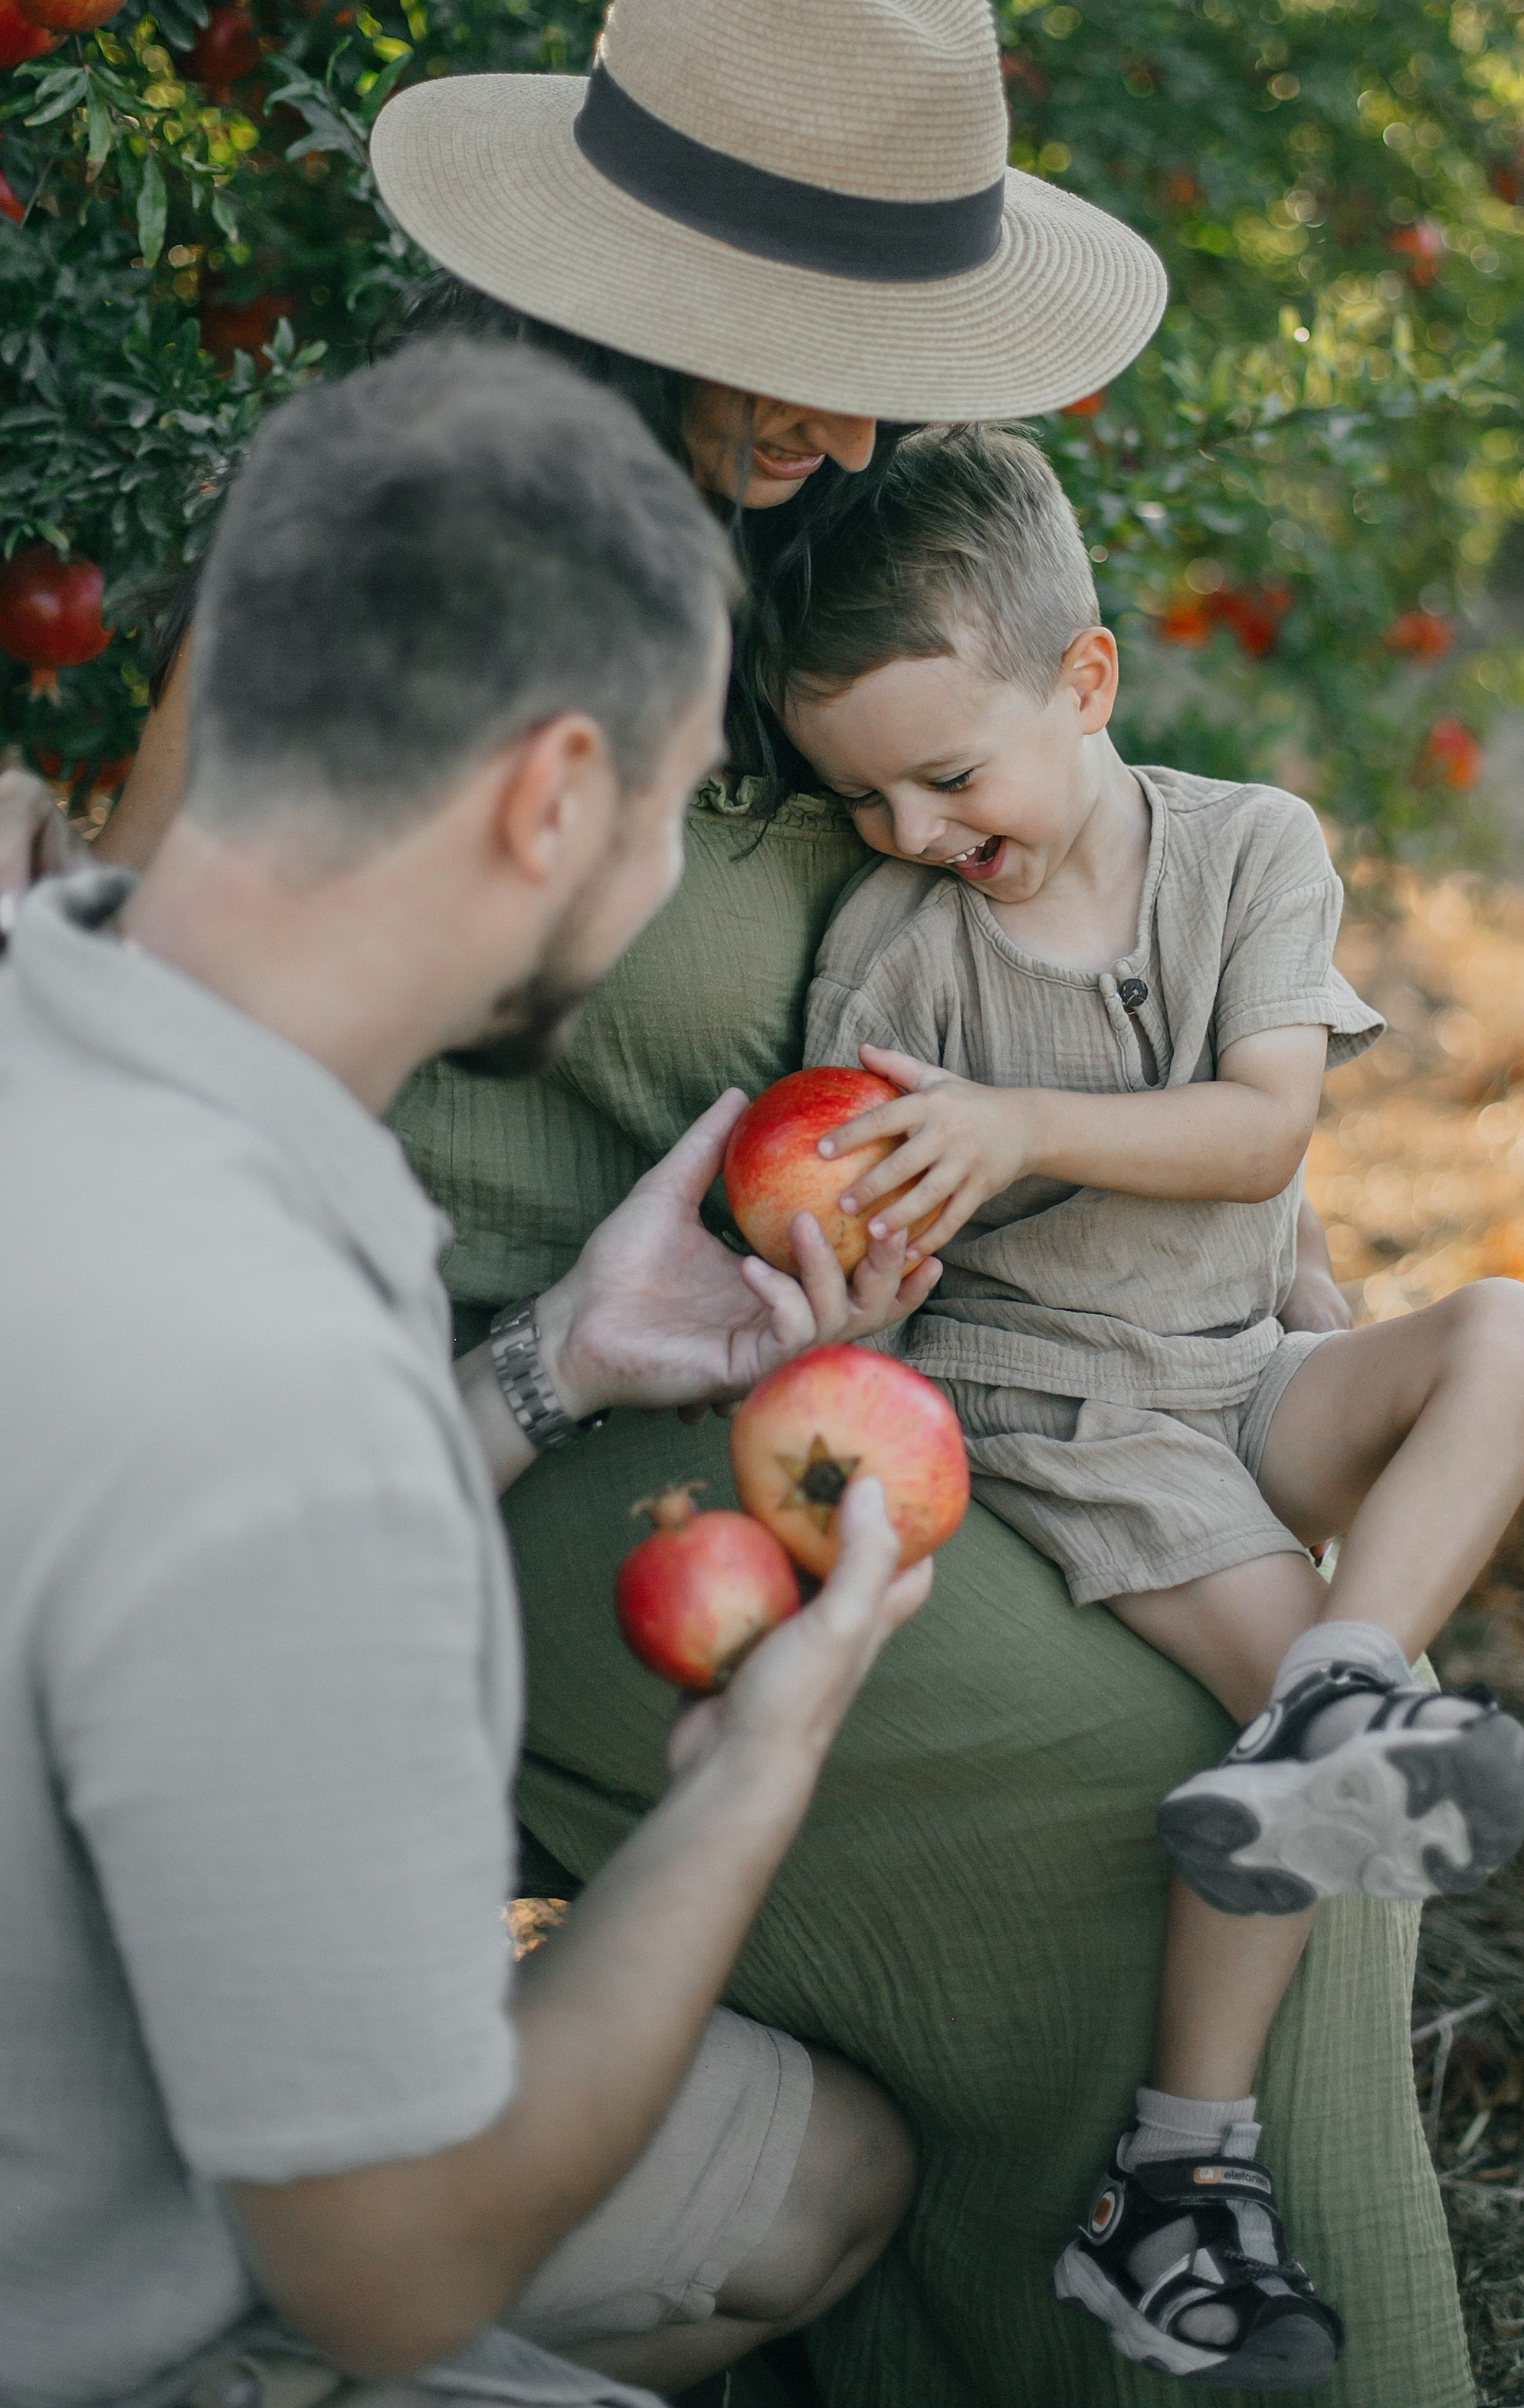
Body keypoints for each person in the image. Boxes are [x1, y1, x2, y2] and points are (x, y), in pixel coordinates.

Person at [6, 0, 1481, 2405]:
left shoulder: (857, 536)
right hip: (502, 1352)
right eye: (792, 359)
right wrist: (530, 1370)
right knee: (1140, 1781)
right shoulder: (433, 518)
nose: (851, 418)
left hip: (827, 1309)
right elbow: (199, 958)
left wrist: (1244, 1229)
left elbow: (1054, 914)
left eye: (888, 362)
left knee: (1266, 1751)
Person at [0, 339, 943, 2408]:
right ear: (550, 800)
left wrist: (550, 1361)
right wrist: (759, 1773)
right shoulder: (280, 1397)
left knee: (817, 2173)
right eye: (668, 804)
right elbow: (396, 2270)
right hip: (110, 2315)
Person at [771, 427, 1524, 2387]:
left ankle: (1349, 1680)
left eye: (947, 776)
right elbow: (862, 1264)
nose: (909, 830)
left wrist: (1043, 1131)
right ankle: (1178, 2179)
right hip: (1059, 1411)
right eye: (860, 795)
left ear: (1086, 680)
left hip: (1234, 1367)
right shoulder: (892, 950)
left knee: (1511, 1335)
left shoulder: (1249, 848)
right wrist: (860, 1275)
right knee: (1292, 1744)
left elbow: (1261, 1126)